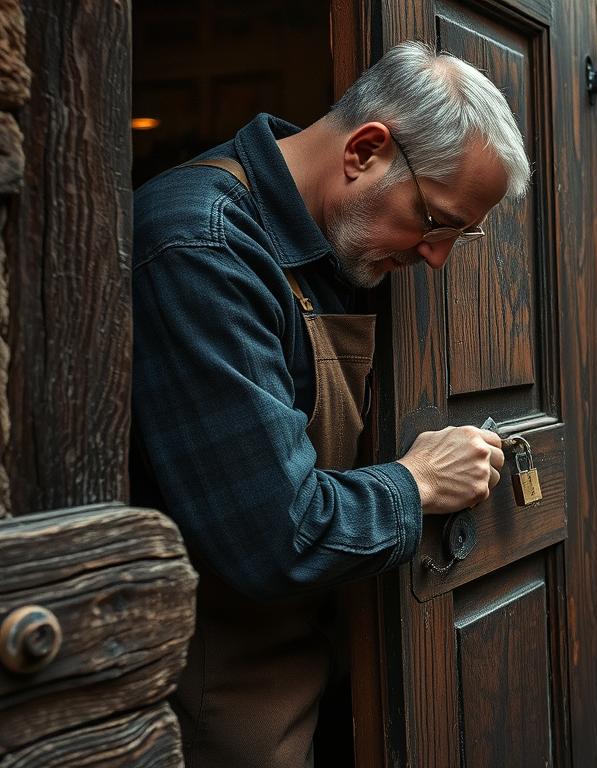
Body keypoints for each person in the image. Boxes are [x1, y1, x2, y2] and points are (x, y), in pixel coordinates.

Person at [129, 42, 531, 767]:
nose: (437, 258)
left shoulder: (336, 244)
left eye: (457, 238)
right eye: (435, 221)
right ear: (365, 151)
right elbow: (274, 535)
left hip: (322, 660)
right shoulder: (202, 245)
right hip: (219, 693)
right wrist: (417, 483)